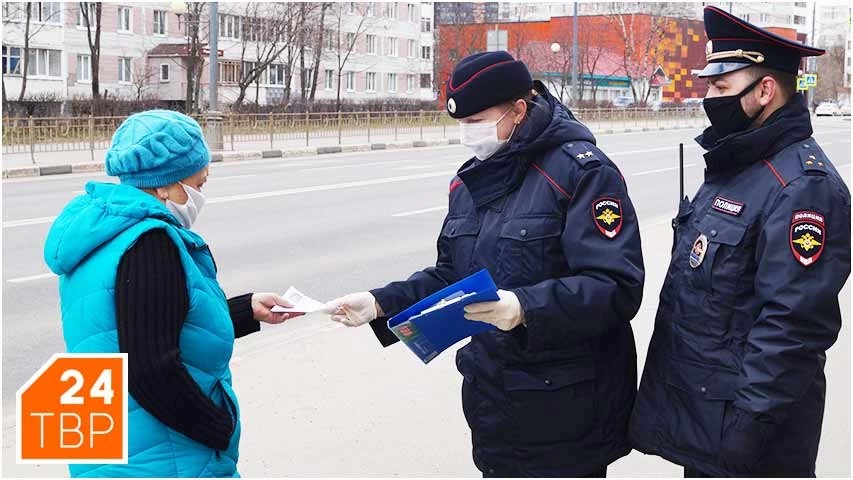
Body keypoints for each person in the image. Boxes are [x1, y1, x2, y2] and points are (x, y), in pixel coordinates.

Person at [327, 51, 645, 477]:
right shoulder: (470, 182)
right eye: (462, 123)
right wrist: (380, 302)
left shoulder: (581, 173)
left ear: (518, 110)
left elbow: (616, 287)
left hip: (567, 410)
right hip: (495, 400)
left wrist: (524, 307)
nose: (468, 134)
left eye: (477, 121)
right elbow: (450, 274)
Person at [629, 6, 851, 478]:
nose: (709, 97)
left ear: (765, 91)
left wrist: (747, 432)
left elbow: (792, 329)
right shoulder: (738, 166)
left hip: (753, 442)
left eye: (721, 87)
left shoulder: (802, 187)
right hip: (710, 422)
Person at [44, 110, 300, 477]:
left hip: (111, 442)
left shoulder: (102, 233)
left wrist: (246, 310)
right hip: (164, 456)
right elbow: (150, 367)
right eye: (199, 182)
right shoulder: (149, 243)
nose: (200, 193)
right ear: (164, 185)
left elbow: (144, 323)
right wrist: (218, 429)